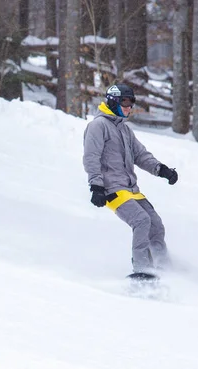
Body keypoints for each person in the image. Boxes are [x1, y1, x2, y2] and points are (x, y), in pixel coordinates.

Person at [83, 83, 179, 276]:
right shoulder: (98, 126)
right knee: (142, 221)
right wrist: (96, 186)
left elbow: (141, 155)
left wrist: (161, 170)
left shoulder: (124, 130)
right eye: (124, 103)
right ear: (112, 102)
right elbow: (91, 156)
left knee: (156, 223)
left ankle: (163, 266)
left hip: (130, 189)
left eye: (131, 103)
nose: (128, 108)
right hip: (111, 189)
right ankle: (142, 269)